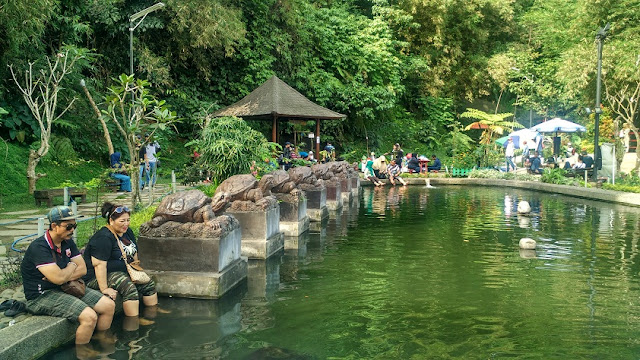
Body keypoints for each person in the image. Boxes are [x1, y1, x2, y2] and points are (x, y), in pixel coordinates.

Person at [21, 206, 115, 346]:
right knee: (89, 317)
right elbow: (60, 277)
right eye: (68, 226)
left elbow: (82, 269)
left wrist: (63, 275)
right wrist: (70, 267)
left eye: (74, 226)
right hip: (41, 295)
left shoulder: (67, 241)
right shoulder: (39, 248)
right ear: (54, 226)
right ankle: (83, 353)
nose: (72, 230)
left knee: (109, 305)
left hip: (66, 286)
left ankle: (100, 340)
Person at [83, 202, 160, 325]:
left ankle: (153, 312)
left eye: (128, 220)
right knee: (128, 287)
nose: (126, 224)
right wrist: (104, 289)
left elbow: (134, 251)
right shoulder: (103, 238)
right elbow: (99, 265)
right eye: (122, 221)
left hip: (122, 271)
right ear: (111, 221)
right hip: (96, 277)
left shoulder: (127, 232)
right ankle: (133, 320)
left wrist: (137, 271)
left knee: (148, 283)